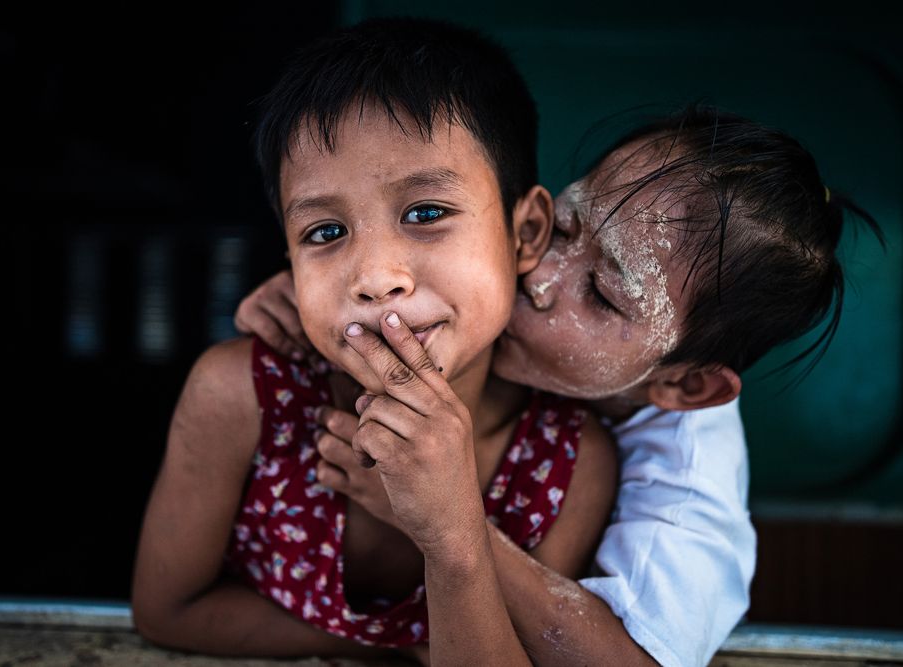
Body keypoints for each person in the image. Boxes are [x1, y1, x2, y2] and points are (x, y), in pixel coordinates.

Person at [234, 105, 884, 665]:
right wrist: (329, 300)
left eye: (601, 294)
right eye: (564, 228)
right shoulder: (499, 273)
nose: (538, 274)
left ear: (684, 386)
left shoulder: (687, 480)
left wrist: (443, 514)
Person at [131, 17, 619, 666]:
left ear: (525, 232)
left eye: (425, 213)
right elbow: (168, 609)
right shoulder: (239, 395)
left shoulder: (566, 463)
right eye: (326, 233)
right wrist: (394, 642)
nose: (375, 278)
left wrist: (452, 533)